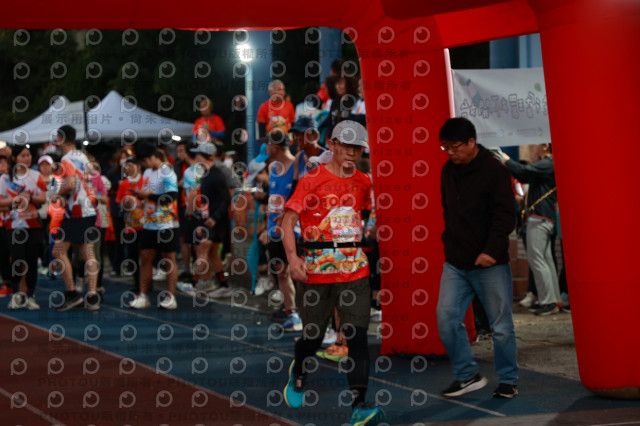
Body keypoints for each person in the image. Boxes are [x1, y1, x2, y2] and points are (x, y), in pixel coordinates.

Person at [281, 120, 385, 425]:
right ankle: (299, 368)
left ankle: (359, 407)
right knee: (312, 337)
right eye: (346, 146)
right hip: (315, 272)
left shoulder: (364, 182)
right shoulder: (311, 180)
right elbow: (287, 222)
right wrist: (293, 259)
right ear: (332, 144)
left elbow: (364, 216)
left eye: (357, 148)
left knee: (357, 337)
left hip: (355, 271)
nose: (352, 153)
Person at [436, 117, 519, 399]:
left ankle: (508, 379)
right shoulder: (448, 170)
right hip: (456, 262)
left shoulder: (494, 170)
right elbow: (448, 210)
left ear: (471, 142)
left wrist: (491, 251)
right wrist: (449, 242)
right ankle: (467, 374)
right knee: (446, 317)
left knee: (501, 326)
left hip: (490, 263)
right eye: (445, 147)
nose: (450, 152)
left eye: (455, 147)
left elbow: (506, 215)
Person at [502, 144, 561, 315]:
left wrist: (506, 159)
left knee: (538, 260)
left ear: (545, 146)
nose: (532, 147)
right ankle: (553, 299)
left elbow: (522, 172)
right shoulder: (550, 163)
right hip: (544, 216)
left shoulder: (547, 163)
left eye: (535, 144)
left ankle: (548, 301)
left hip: (539, 217)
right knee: (546, 260)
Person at [50, 125, 101, 311]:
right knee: (88, 253)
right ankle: (92, 295)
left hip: (76, 211)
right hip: (88, 208)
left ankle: (72, 294)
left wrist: (56, 194)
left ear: (61, 138)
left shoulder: (66, 159)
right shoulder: (82, 156)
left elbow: (70, 184)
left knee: (58, 251)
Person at [127, 147, 179, 310]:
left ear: (153, 156)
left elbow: (171, 197)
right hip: (149, 223)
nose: (143, 164)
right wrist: (139, 196)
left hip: (166, 224)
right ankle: (143, 296)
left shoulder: (167, 172)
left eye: (144, 160)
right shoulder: (148, 172)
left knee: (169, 260)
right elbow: (148, 193)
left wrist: (147, 195)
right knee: (145, 259)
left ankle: (171, 297)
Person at [0, 145, 47, 310]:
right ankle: (17, 295)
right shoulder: (5, 178)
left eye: (28, 155)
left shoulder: (36, 175)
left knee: (32, 261)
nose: (27, 158)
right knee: (17, 259)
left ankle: (31, 295)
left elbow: (43, 198)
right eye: (23, 156)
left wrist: (30, 198)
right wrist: (16, 199)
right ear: (14, 158)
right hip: (13, 225)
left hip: (33, 224)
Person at [183, 142, 232, 298]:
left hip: (216, 221)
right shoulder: (206, 174)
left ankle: (198, 283)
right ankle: (220, 284)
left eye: (197, 154)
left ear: (203, 156)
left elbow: (226, 199)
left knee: (203, 250)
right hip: (209, 219)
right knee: (212, 254)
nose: (195, 157)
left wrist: (214, 218)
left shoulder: (216, 175)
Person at [265, 130, 302, 332]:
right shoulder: (273, 168)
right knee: (281, 272)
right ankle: (292, 314)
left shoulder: (298, 165)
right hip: (274, 229)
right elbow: (272, 199)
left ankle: (309, 315)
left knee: (300, 273)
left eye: (268, 144)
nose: (265, 147)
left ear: (275, 147)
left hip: (294, 230)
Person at [115, 156, 145, 292]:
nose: (129, 168)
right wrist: (126, 204)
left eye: (131, 165)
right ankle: (137, 282)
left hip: (146, 224)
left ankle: (146, 283)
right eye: (127, 166)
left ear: (138, 167)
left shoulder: (145, 180)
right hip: (130, 225)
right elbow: (119, 203)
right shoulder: (124, 184)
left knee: (146, 254)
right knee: (131, 254)